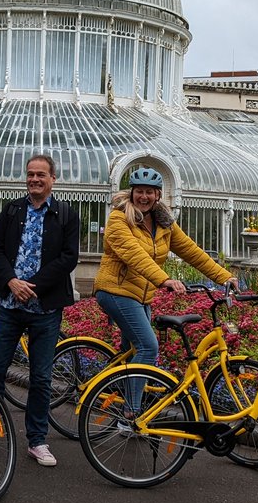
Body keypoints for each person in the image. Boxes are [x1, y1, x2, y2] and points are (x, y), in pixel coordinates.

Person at [93, 166, 240, 412]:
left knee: (131, 353)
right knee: (148, 347)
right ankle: (131, 413)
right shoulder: (119, 218)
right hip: (115, 291)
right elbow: (135, 255)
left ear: (158, 195)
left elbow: (192, 252)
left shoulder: (164, 224)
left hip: (142, 295)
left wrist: (225, 277)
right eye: (139, 191)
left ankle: (111, 393)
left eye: (149, 192)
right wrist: (165, 280)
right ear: (131, 193)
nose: (144, 197)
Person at [0, 154, 81, 468]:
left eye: (41, 175)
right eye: (30, 174)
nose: (34, 179)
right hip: (10, 306)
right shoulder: (12, 210)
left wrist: (30, 285)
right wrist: (10, 281)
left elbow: (68, 258)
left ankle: (37, 440)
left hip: (45, 308)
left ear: (53, 179)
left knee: (41, 377)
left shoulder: (65, 214)